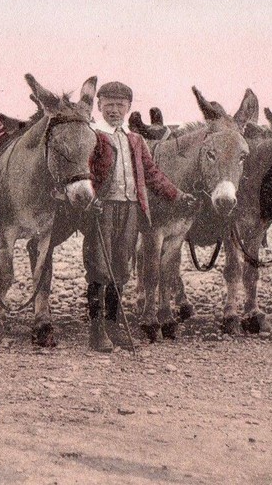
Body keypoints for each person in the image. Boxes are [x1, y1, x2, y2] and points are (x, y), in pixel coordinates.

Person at [84, 81, 196, 352]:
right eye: (108, 105)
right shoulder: (92, 135)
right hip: (103, 209)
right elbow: (83, 172)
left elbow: (152, 174)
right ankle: (97, 330)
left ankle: (113, 325)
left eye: (119, 105)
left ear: (128, 108)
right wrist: (90, 199)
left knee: (121, 268)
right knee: (99, 267)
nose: (114, 110)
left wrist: (177, 195)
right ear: (99, 106)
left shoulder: (135, 140)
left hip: (131, 208)